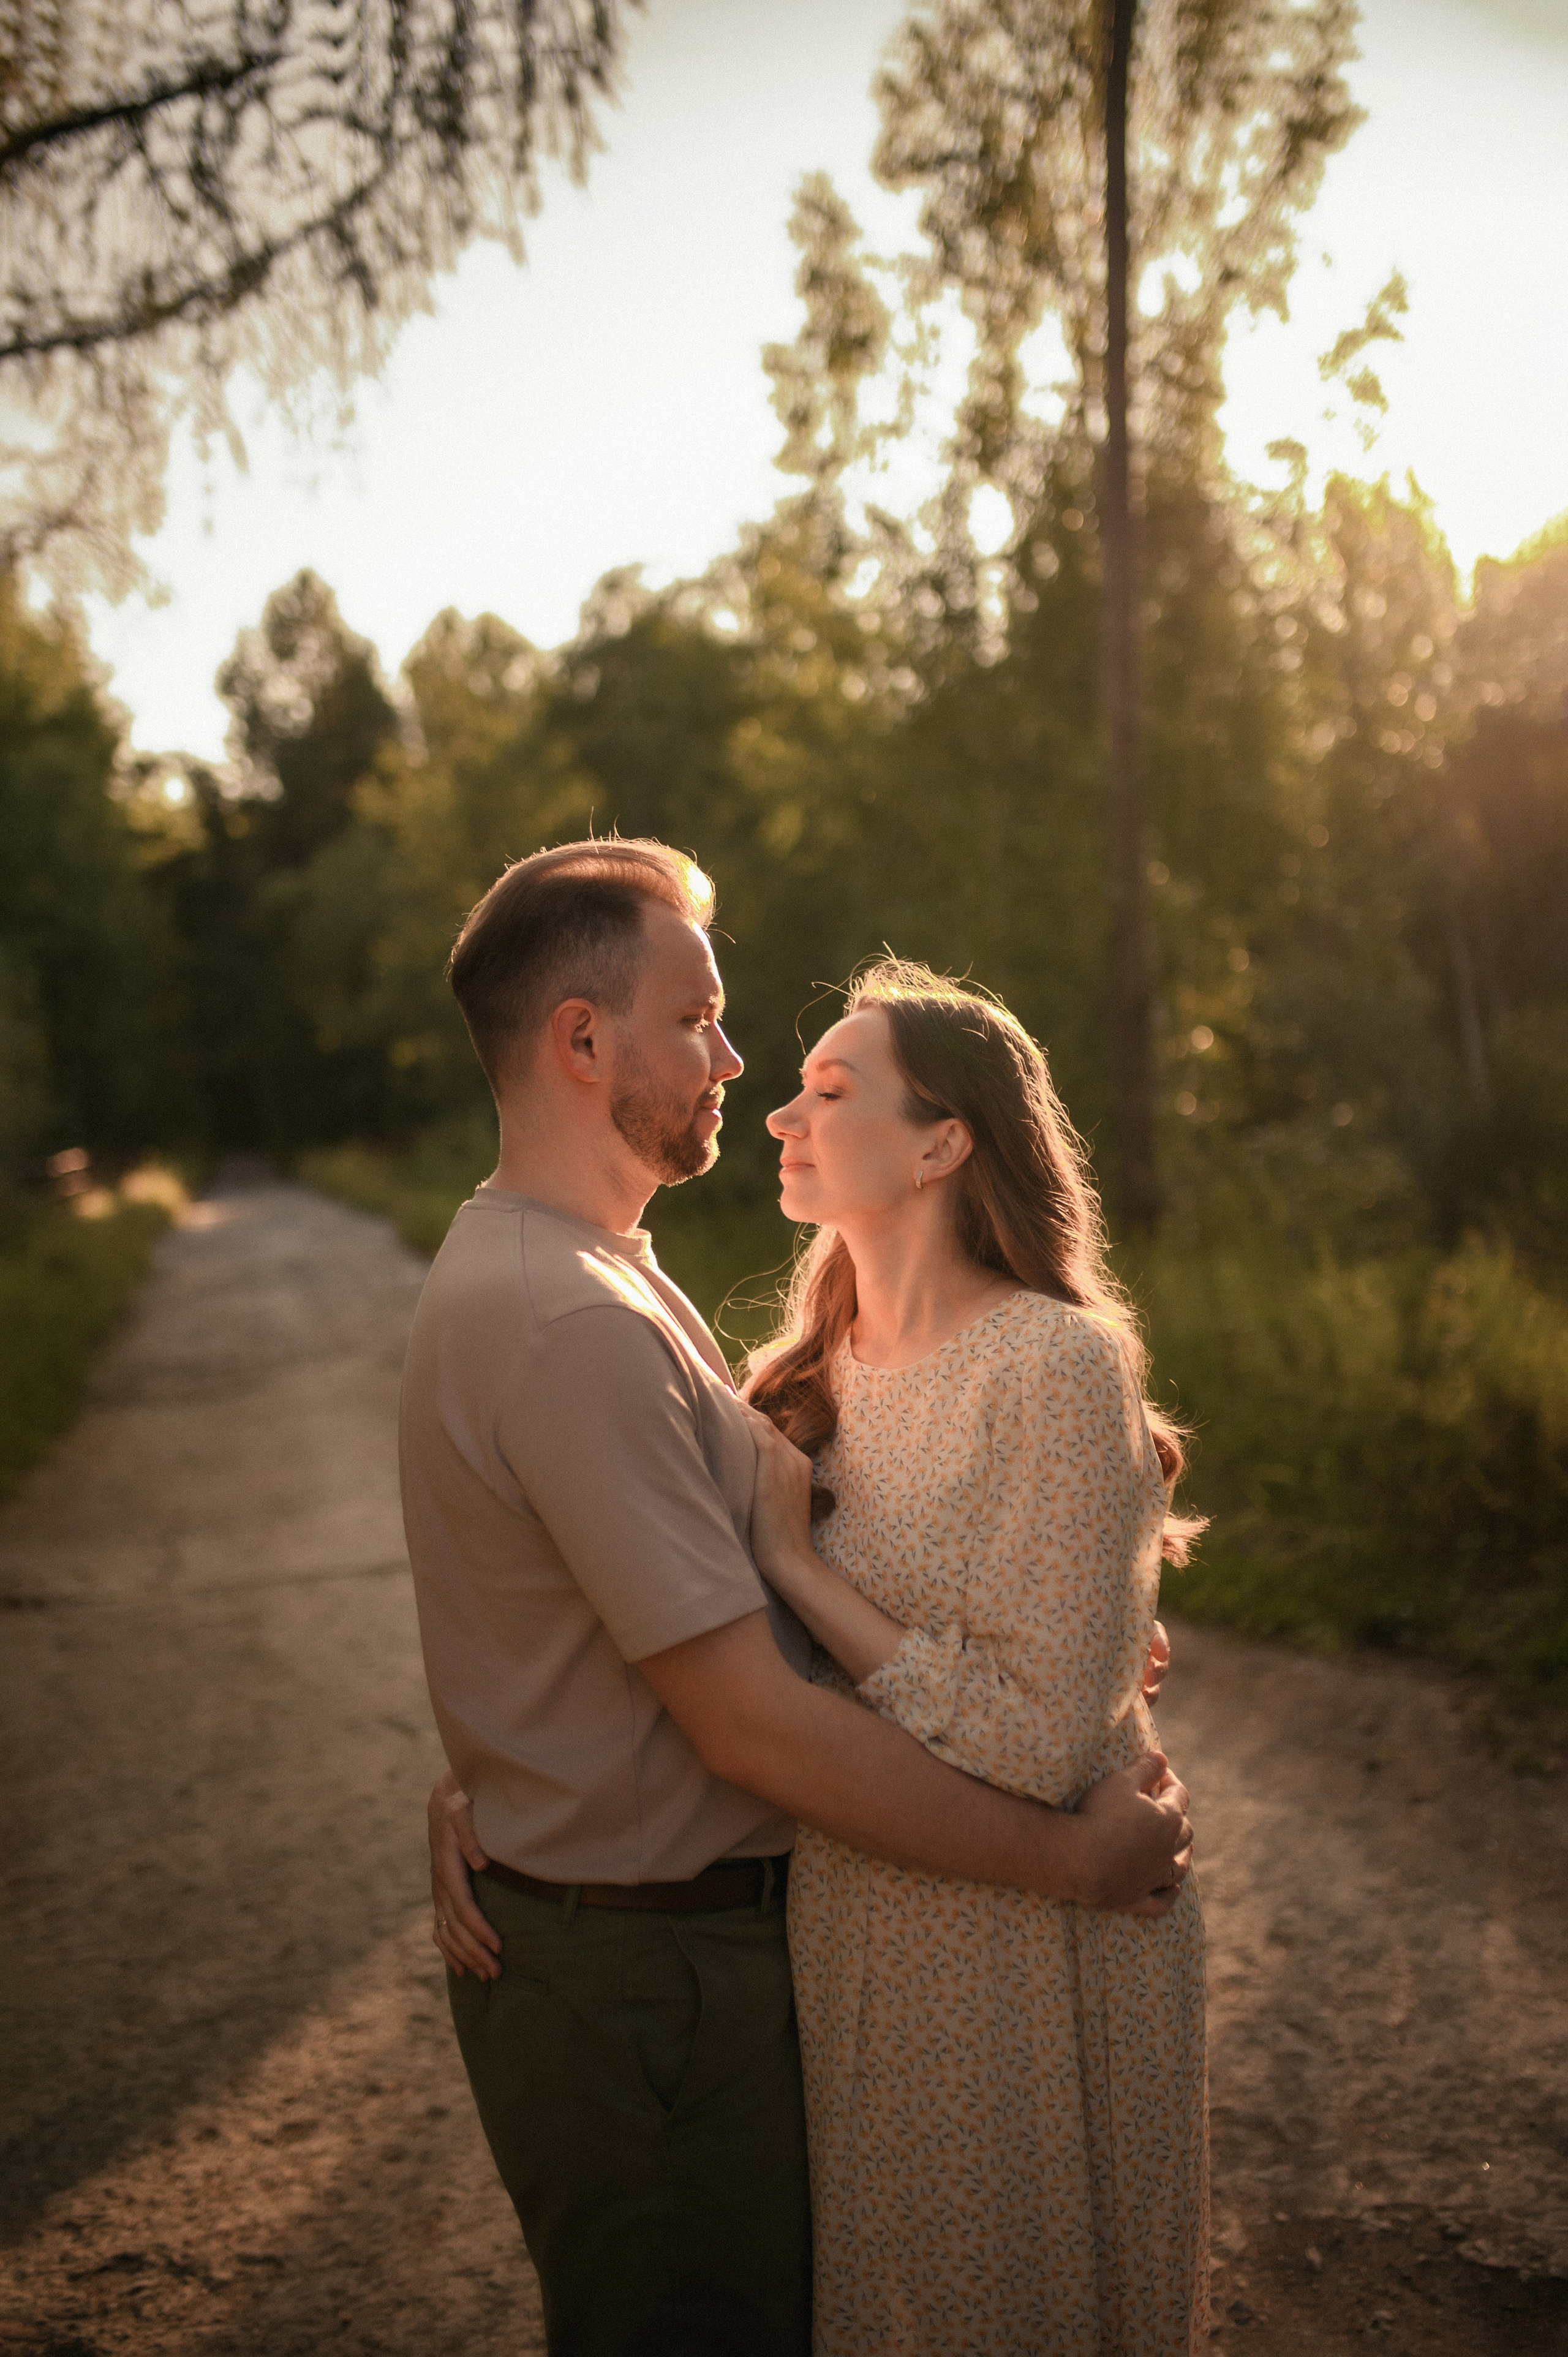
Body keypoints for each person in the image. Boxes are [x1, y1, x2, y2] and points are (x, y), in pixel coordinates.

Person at [407, 837, 1193, 2357]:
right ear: (581, 1040)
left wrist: (506, 1760)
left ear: (947, 1146)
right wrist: (1075, 1860)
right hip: (702, 1969)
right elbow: (747, 1712)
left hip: (834, 1950)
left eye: (822, 1077)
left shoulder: (624, 1278)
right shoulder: (581, 1314)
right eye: (698, 1018)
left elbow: (644, 1593)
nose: (740, 1063)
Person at [740, 960, 1210, 2355]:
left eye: (830, 1091)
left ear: (943, 1143)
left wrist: (797, 1570)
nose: (781, 1115)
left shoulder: (1056, 1367)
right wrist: (483, 1778)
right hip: (854, 1924)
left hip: (1034, 1946)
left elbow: (1040, 1740)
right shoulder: (796, 1370)